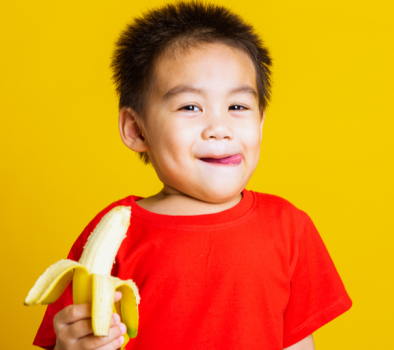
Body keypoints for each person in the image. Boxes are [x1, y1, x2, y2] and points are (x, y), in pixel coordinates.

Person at [32, 2, 351, 350]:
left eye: (238, 107)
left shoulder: (289, 228)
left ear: (261, 123)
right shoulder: (118, 232)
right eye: (190, 107)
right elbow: (72, 338)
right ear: (136, 129)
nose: (219, 128)